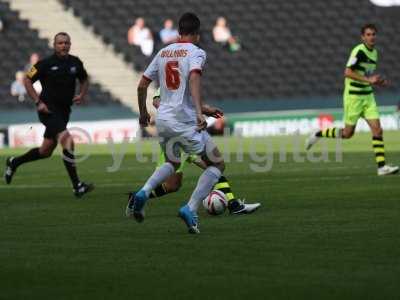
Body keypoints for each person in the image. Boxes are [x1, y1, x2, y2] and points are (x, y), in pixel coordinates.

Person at [126, 12, 234, 234]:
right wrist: (198, 113)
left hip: (164, 120)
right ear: (196, 34)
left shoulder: (163, 51)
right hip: (185, 121)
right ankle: (190, 208)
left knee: (172, 163)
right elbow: (194, 78)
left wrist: (142, 113)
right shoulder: (197, 52)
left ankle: (144, 192)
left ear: (179, 32)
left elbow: (141, 85)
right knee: (217, 164)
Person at [126, 88, 261, 216]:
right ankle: (138, 197)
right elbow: (156, 101)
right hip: (176, 139)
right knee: (176, 184)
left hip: (190, 136)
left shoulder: (189, 82)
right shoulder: (172, 79)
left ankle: (233, 205)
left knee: (209, 170)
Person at [4, 32, 94, 197]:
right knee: (67, 140)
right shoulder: (44, 64)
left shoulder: (75, 62)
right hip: (48, 110)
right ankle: (77, 186)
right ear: (54, 45)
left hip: (64, 111)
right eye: (60, 43)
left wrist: (82, 94)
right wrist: (38, 102)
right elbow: (27, 80)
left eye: (66, 43)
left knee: (45, 151)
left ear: (70, 44)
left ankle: (14, 162)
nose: (64, 45)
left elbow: (84, 78)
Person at [306, 24, 399, 176]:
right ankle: (318, 134)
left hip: (367, 96)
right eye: (368, 34)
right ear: (362, 37)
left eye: (373, 34)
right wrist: (369, 80)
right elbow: (348, 72)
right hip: (354, 97)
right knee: (348, 134)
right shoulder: (359, 51)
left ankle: (382, 167)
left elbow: (366, 74)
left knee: (377, 129)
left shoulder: (374, 53)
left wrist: (378, 82)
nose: (371, 37)